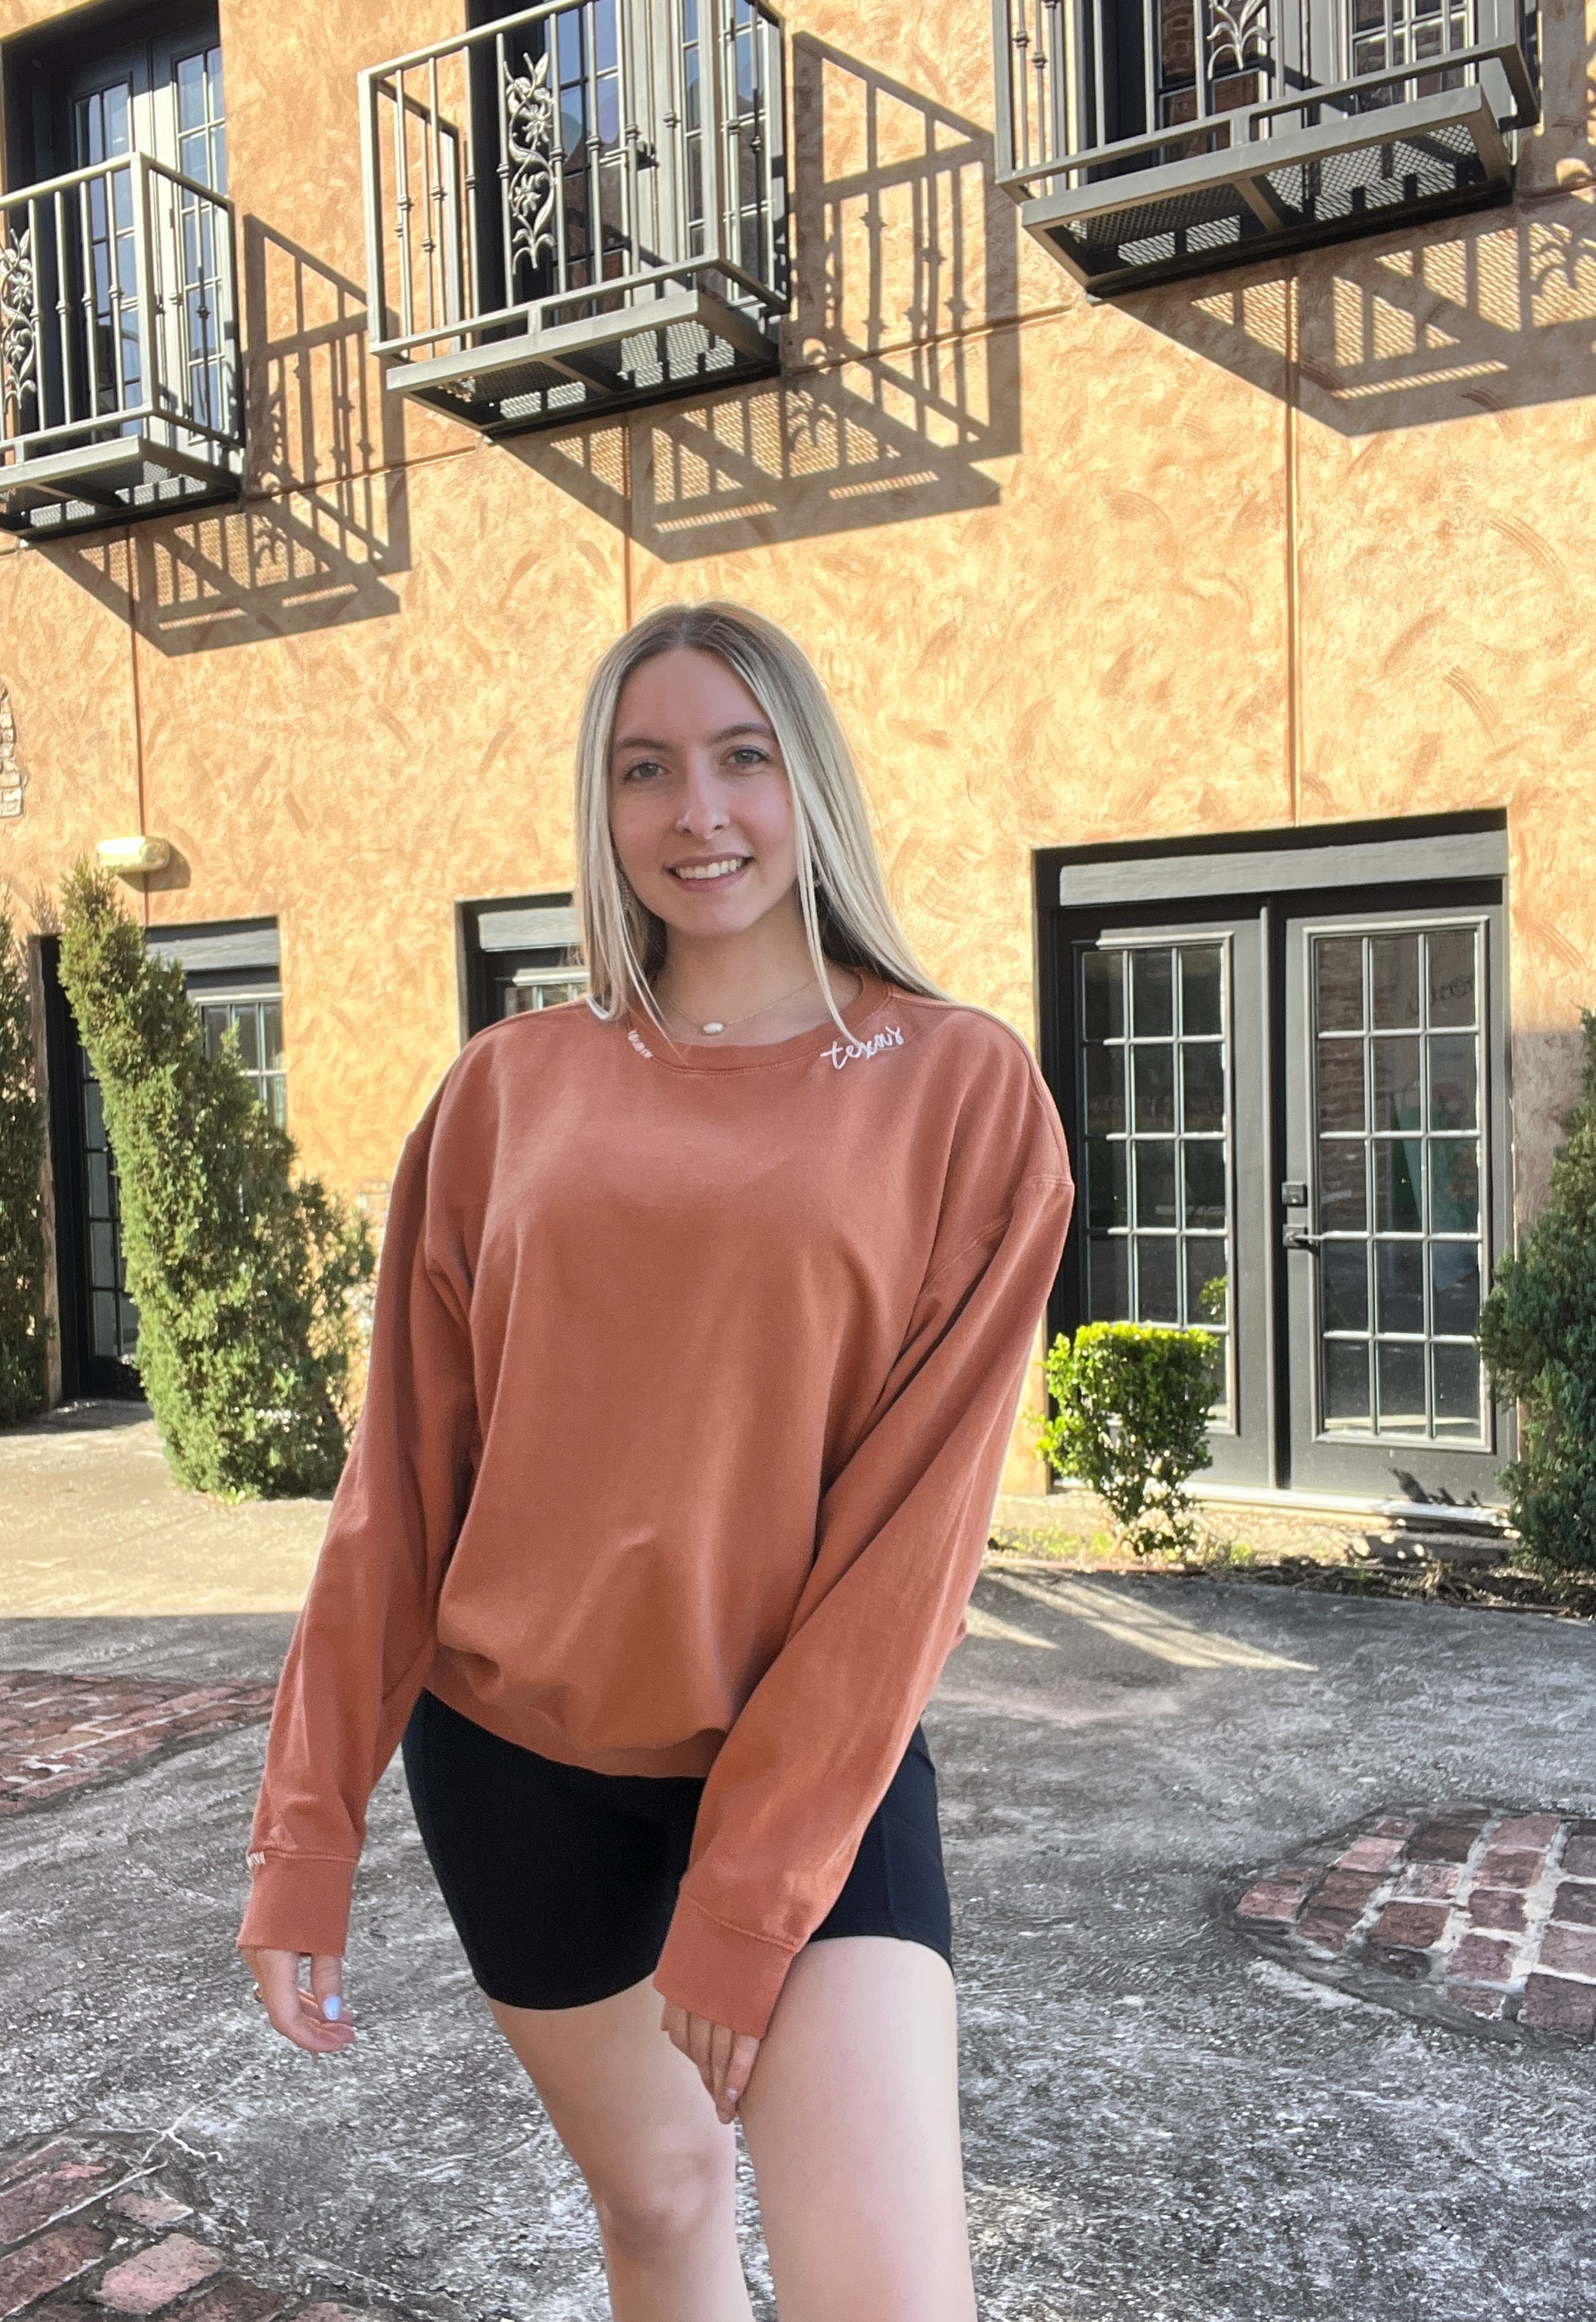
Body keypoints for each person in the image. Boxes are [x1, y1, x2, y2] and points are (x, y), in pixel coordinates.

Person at [239, 600, 1075, 2319]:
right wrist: (304, 1830)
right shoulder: (507, 1088)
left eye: (741, 757)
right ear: (602, 805)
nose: (698, 811)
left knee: (889, 2297)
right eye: (646, 769)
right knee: (661, 2205)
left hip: (808, 1775)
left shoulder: (958, 1089)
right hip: (513, 1765)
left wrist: (752, 1889)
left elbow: (914, 1544)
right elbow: (401, 1486)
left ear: (807, 781)